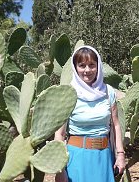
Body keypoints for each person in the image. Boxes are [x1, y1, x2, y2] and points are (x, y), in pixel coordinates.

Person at [55, 45, 126, 182]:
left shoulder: (108, 92)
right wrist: (60, 168)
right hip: (77, 157)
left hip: (103, 157)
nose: (87, 70)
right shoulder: (67, 94)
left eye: (92, 65)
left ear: (98, 66)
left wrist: (120, 155)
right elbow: (60, 133)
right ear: (75, 68)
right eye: (82, 65)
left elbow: (116, 125)